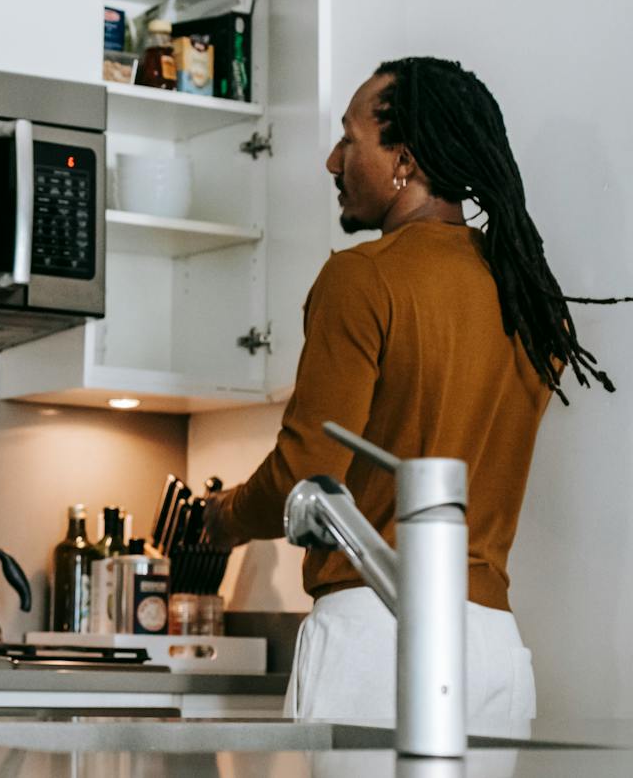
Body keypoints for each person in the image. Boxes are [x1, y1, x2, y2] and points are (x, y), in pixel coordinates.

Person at [207, 57, 627, 726]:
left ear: (404, 160)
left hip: (377, 638)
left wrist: (224, 517)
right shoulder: (530, 301)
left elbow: (303, 477)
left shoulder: (362, 279)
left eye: (350, 140)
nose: (333, 161)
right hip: (493, 649)